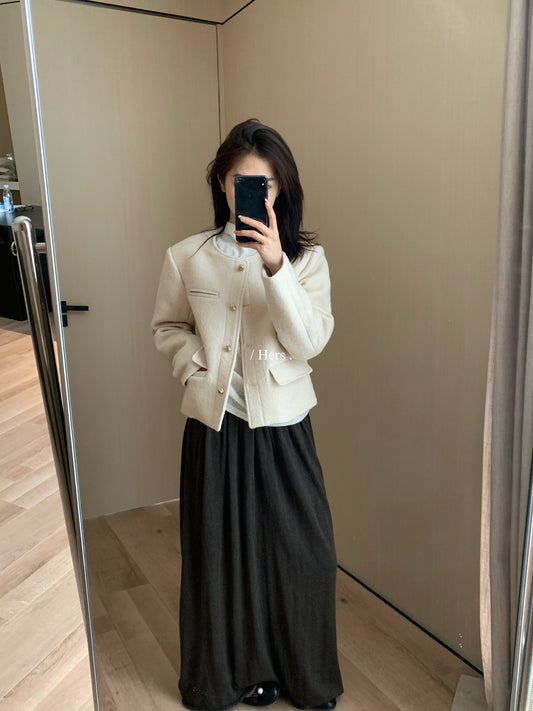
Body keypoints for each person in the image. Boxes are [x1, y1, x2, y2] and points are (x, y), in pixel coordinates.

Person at [151, 119, 343, 711]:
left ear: (281, 188)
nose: (252, 193)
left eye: (265, 183)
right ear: (221, 183)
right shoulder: (187, 257)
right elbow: (168, 327)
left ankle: (307, 678)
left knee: (303, 553)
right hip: (213, 427)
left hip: (284, 425)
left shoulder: (307, 261)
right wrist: (196, 366)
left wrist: (276, 266)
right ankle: (233, 676)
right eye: (241, 182)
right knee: (221, 556)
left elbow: (308, 342)